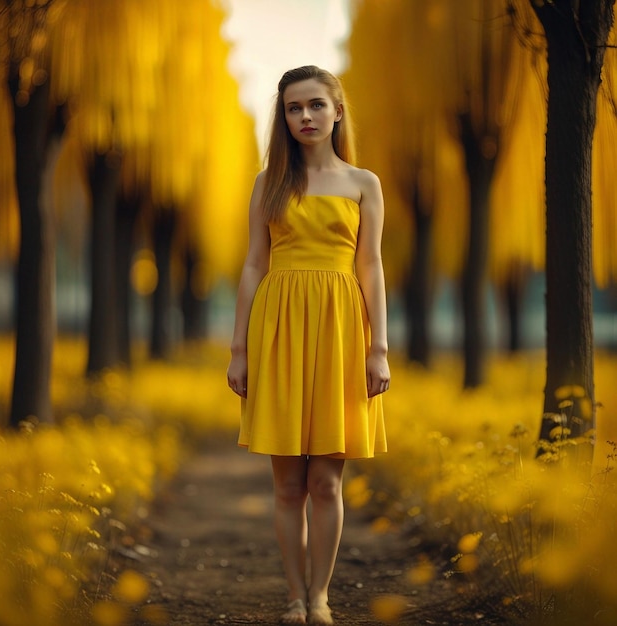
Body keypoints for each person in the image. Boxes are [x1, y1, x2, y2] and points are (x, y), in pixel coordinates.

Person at [227, 65, 389, 626]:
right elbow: (252, 263)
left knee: (326, 479)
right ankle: (294, 596)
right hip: (279, 327)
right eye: (294, 108)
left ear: (337, 111)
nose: (305, 117)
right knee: (287, 482)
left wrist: (379, 348)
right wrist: (239, 348)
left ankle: (321, 596)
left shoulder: (363, 182)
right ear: (284, 117)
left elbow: (370, 266)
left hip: (342, 328)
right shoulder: (268, 182)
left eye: (316, 105)